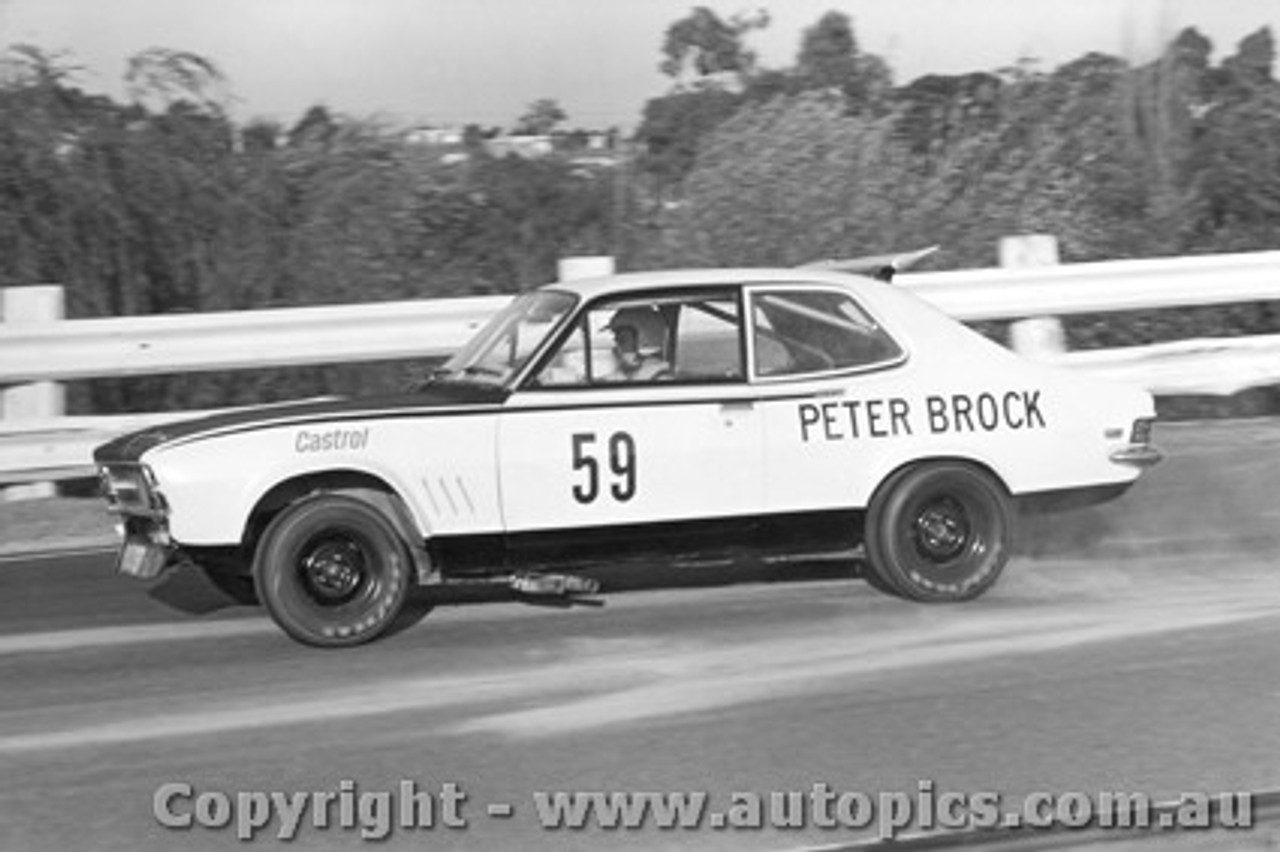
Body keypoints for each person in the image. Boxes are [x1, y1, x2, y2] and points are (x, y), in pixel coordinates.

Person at [601, 305, 672, 382]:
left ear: (645, 341)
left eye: (621, 340)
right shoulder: (633, 375)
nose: (615, 349)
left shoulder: (660, 379)